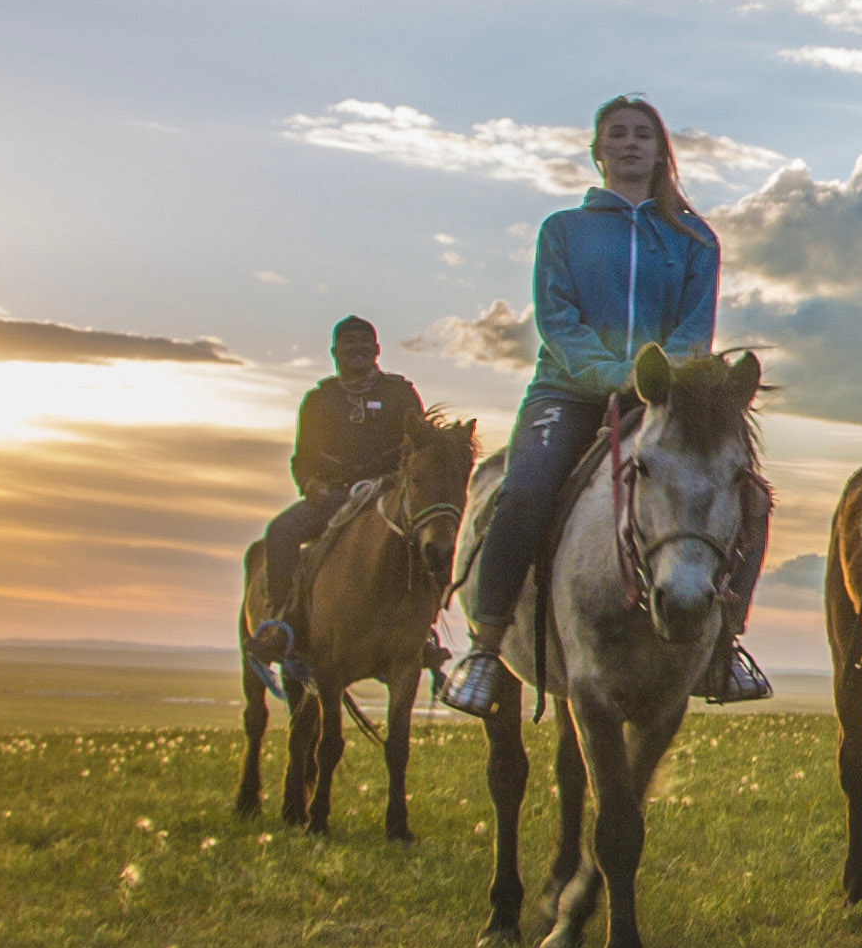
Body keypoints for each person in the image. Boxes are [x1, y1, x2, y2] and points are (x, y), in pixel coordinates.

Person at [439, 96, 761, 712]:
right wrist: (620, 376)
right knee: (525, 491)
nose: (631, 143)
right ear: (598, 150)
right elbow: (558, 323)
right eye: (618, 134)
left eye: (644, 134)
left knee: (749, 494)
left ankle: (725, 645)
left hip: (661, 396)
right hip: (566, 390)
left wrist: (657, 382)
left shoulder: (694, 239)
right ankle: (485, 645)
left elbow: (695, 332)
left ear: (661, 151)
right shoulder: (563, 231)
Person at [250, 318, 428, 668]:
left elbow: (418, 449)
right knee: (281, 532)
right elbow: (302, 459)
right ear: (334, 352)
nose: (357, 351)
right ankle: (281, 622)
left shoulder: (400, 394)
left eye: (365, 344)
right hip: (330, 499)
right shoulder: (319, 400)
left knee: (427, 537)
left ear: (377, 350)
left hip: (384, 501)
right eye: (348, 345)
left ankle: (426, 629)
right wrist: (310, 485)